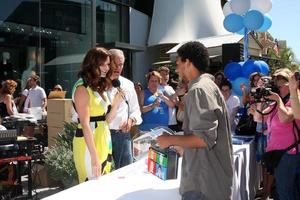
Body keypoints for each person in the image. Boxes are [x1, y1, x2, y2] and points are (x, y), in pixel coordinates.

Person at [157, 41, 233, 200]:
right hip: (205, 177)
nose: (176, 69)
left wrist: (169, 140)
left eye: (178, 63)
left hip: (203, 182)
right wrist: (182, 144)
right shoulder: (205, 86)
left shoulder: (199, 89)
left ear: (188, 62)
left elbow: (203, 138)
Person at [72, 47, 124, 183]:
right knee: (90, 187)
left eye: (108, 64)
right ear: (94, 64)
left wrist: (116, 102)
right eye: (105, 64)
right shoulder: (81, 88)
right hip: (88, 144)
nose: (108, 68)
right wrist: (94, 156)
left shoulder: (97, 86)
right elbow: (84, 124)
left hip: (103, 139)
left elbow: (105, 120)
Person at [255, 68, 300, 200]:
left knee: (285, 191)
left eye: (280, 86)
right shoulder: (278, 102)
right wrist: (260, 100)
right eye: (277, 85)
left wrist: (278, 99)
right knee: (285, 189)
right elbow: (258, 118)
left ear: (290, 85)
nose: (278, 88)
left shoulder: (295, 101)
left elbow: (285, 118)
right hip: (277, 153)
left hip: (288, 153)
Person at [106, 49, 142, 169]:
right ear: (107, 62)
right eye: (115, 63)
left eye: (121, 64)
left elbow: (136, 111)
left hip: (122, 136)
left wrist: (131, 120)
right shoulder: (97, 84)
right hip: (101, 135)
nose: (118, 67)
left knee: (125, 173)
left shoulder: (128, 84)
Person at [158, 66, 178, 131]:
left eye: (167, 74)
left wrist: (174, 98)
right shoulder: (156, 87)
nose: (165, 76)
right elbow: (171, 103)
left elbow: (176, 102)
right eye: (163, 74)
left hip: (173, 121)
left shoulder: (170, 88)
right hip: (162, 122)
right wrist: (176, 94)